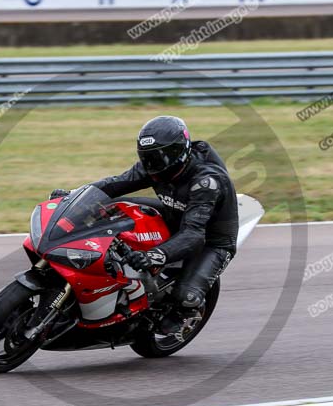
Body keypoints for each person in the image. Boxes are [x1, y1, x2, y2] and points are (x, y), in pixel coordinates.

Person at [50, 115, 238, 336]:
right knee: (110, 207)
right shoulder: (156, 166)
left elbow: (193, 235)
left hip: (210, 239)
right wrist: (74, 196)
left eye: (157, 158)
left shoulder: (206, 182)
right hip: (174, 212)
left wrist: (154, 255)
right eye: (146, 158)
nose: (150, 165)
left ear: (178, 152)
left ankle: (185, 312)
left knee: (185, 297)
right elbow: (113, 185)